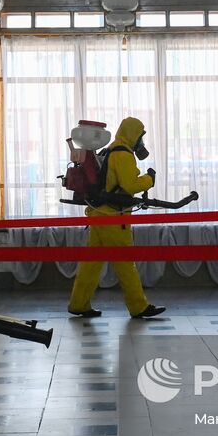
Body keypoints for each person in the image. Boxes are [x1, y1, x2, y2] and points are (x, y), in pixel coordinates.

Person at [67, 116, 166, 320]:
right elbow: (130, 185)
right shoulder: (123, 154)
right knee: (125, 262)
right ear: (133, 135)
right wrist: (149, 179)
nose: (141, 142)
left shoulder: (111, 149)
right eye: (140, 136)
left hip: (99, 213)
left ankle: (78, 303)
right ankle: (139, 306)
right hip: (113, 217)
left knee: (92, 263)